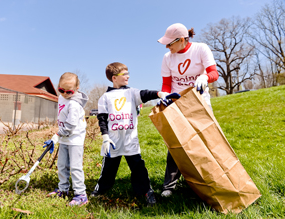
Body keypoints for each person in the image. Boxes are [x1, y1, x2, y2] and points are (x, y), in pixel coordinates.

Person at [90, 62, 172, 206]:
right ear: (114, 78)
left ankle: (146, 191)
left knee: (138, 168)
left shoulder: (131, 92)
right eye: (124, 74)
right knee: (108, 169)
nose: (128, 76)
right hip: (113, 141)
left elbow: (145, 94)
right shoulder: (105, 97)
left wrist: (160, 94)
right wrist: (105, 137)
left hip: (130, 140)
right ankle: (100, 190)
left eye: (128, 73)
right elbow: (102, 119)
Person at [157, 23, 219, 197]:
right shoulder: (167, 57)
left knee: (206, 140)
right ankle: (170, 185)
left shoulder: (201, 49)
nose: (167, 47)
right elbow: (167, 83)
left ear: (182, 40)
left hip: (199, 102)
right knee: (176, 143)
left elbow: (214, 72)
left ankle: (209, 179)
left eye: (170, 44)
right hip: (177, 103)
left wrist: (205, 77)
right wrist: (165, 95)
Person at [44, 72, 89, 206]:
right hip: (64, 138)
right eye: (61, 90)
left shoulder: (74, 105)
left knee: (75, 167)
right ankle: (63, 189)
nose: (64, 93)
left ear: (77, 89)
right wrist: (59, 136)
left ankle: (81, 194)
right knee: (62, 165)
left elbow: (70, 126)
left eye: (69, 91)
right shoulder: (61, 98)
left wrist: (56, 136)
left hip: (75, 139)